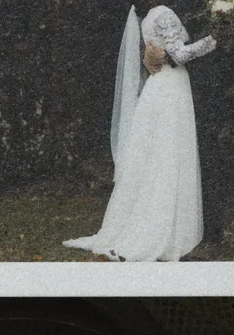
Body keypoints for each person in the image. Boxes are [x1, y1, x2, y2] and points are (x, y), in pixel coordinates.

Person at [66, 5, 217, 264]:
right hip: (171, 87)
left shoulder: (146, 16)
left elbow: (160, 52)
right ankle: (161, 231)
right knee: (168, 156)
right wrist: (214, 39)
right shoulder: (161, 12)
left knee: (157, 157)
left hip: (158, 87)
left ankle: (155, 223)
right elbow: (179, 54)